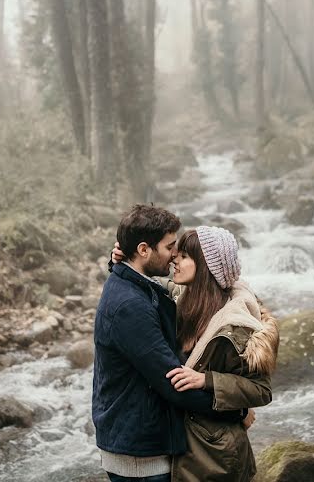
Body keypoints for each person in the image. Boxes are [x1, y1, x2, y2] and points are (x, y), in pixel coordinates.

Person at [92, 205, 247, 482]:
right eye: (170, 247)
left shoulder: (132, 283)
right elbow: (174, 384)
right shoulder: (131, 306)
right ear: (143, 250)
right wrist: (236, 410)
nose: (174, 255)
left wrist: (118, 262)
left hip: (139, 442)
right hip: (142, 457)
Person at [113, 225, 279, 482]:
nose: (174, 259)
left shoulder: (236, 326)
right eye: (175, 252)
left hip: (216, 456)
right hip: (188, 443)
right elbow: (147, 283)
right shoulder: (182, 297)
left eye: (185, 256)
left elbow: (262, 390)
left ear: (207, 268)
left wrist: (208, 380)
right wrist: (123, 261)